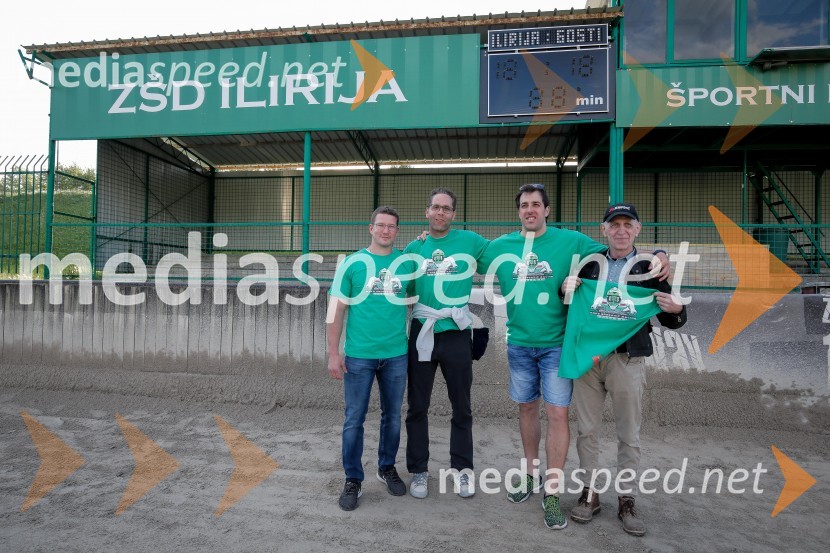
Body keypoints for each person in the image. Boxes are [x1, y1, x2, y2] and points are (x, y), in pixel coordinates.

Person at [478, 186, 671, 530]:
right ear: (518, 211)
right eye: (524, 205)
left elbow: (620, 247)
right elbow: (463, 252)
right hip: (519, 344)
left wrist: (661, 252)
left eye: (536, 204)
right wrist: (425, 239)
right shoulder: (500, 246)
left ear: (547, 210)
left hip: (559, 346)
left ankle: (553, 493)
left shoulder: (573, 242)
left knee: (557, 414)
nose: (530, 210)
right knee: (526, 409)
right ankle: (530, 474)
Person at [562, 203, 686, 536]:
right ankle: (589, 493)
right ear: (604, 230)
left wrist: (677, 310)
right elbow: (570, 304)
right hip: (589, 362)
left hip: (627, 359)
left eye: (626, 224)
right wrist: (565, 290)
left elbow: (669, 316)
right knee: (587, 431)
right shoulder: (589, 265)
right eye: (613, 224)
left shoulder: (650, 266)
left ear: (637, 229)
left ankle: (627, 499)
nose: (620, 230)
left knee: (628, 434)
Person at [327, 206, 415, 511]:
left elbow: (419, 297)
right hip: (359, 356)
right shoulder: (352, 263)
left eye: (392, 226)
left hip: (395, 355)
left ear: (397, 231)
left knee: (392, 416)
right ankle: (353, 479)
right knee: (354, 419)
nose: (386, 230)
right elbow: (335, 310)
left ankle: (386, 467)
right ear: (371, 228)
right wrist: (333, 353)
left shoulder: (405, 263)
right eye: (381, 225)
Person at [404, 188, 489, 499]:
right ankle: (419, 471)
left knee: (462, 406)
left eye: (447, 209)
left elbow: (504, 254)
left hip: (455, 332)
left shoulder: (470, 242)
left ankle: (463, 471)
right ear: (427, 212)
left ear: (453, 214)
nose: (440, 213)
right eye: (435, 208)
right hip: (423, 330)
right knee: (417, 406)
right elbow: (402, 288)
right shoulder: (414, 247)